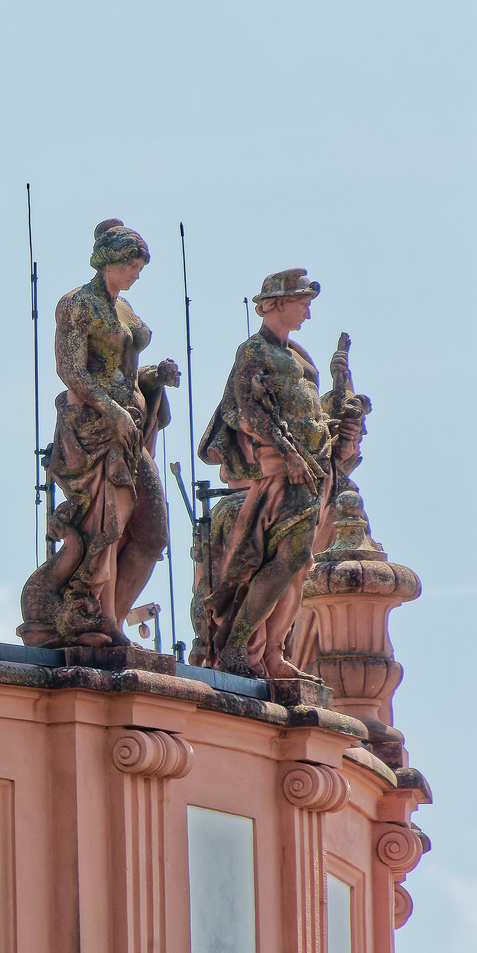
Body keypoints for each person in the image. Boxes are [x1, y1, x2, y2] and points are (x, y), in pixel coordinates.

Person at [19, 219, 178, 649]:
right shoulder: (77, 303)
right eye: (131, 266)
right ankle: (93, 615)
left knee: (151, 535)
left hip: (127, 430)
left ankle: (114, 615)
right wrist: (110, 409)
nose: (136, 275)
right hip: (93, 432)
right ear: (110, 260)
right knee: (106, 526)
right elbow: (70, 369)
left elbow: (123, 368)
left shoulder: (123, 309)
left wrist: (153, 376)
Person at [195, 268, 360, 678]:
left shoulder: (299, 355)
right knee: (287, 558)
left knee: (298, 566)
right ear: (277, 304)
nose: (307, 311)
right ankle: (238, 645)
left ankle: (270, 653)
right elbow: (246, 412)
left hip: (314, 471)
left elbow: (311, 413)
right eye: (303, 302)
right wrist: (288, 453)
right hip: (286, 472)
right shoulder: (254, 351)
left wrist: (339, 415)